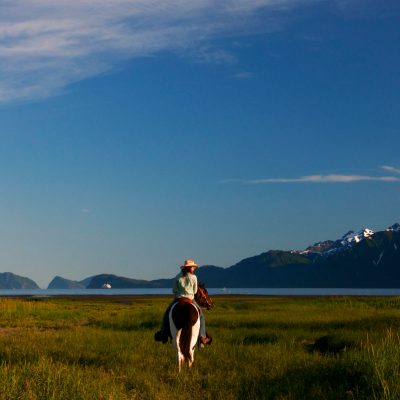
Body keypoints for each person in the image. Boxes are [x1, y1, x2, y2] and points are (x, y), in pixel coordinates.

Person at [155, 259, 211, 345]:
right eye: (193, 267)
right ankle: (202, 336)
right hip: (190, 299)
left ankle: (164, 334)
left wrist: (180, 292)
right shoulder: (194, 277)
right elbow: (195, 291)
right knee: (202, 317)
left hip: (179, 299)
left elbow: (174, 290)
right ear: (189, 268)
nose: (194, 268)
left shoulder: (178, 277)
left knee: (167, 313)